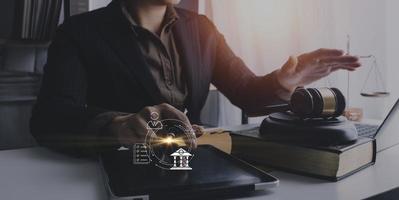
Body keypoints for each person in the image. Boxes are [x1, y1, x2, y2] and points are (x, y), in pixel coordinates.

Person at [30, 0, 360, 155]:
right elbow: (50, 117)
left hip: (195, 163)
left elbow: (245, 92)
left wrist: (284, 81)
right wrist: (117, 125)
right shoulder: (79, 32)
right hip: (119, 169)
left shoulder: (201, 28)